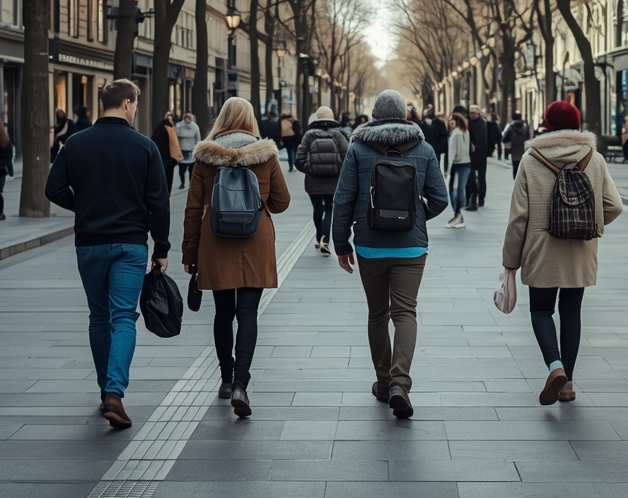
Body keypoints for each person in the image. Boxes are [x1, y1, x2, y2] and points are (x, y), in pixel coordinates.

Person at [45, 79, 170, 430]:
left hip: (89, 242)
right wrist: (161, 247)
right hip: (130, 243)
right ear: (129, 104)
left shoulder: (76, 143)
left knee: (99, 317)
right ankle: (115, 393)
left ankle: (105, 392)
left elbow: (53, 188)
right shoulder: (144, 146)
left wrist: (83, 206)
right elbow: (158, 202)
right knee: (123, 317)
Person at [331, 90, 449, 419]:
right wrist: (415, 215)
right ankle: (401, 383)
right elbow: (440, 198)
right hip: (411, 245)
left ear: (374, 114)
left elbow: (343, 200)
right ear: (404, 114)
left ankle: (383, 383)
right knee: (405, 313)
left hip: (370, 243)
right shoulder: (423, 149)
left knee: (377, 314)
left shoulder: (357, 149)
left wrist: (341, 244)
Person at [502, 100, 622, 406]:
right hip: (580, 250)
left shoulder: (531, 159)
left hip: (542, 249)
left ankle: (554, 366)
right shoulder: (593, 157)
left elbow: (518, 217)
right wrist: (588, 226)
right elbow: (614, 206)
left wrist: (510, 263)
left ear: (547, 124)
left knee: (541, 310)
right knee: (571, 312)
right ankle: (567, 383)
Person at [183, 97, 290, 417]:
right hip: (255, 240)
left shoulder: (205, 156)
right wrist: (260, 203)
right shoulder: (265, 154)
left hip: (215, 240)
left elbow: (192, 208)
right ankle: (242, 384)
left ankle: (226, 379)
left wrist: (190, 252)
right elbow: (282, 201)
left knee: (222, 312)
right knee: (247, 313)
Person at [296, 105, 350, 256]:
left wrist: (311, 169)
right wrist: (337, 170)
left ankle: (319, 236)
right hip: (333, 182)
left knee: (317, 209)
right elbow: (347, 159)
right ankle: (325, 239)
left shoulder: (309, 135)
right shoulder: (338, 135)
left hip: (313, 182)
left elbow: (299, 160)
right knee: (329, 208)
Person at [446, 111, 471, 228]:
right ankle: (459, 215)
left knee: (453, 190)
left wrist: (448, 170)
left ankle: (458, 215)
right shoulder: (466, 132)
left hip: (457, 165)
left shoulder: (455, 134)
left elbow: (452, 153)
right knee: (460, 189)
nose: (450, 123)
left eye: (451, 121)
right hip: (466, 164)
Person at [467, 105, 490, 211]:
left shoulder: (484, 124)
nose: (472, 115)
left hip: (481, 155)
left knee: (481, 177)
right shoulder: (468, 124)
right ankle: (472, 197)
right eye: (470, 113)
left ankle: (481, 198)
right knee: (471, 177)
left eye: (474, 113)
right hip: (471, 154)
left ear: (478, 113)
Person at [154, 111, 183, 192]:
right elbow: (175, 145)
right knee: (168, 182)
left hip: (160, 159)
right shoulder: (169, 129)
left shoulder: (159, 127)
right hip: (169, 160)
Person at [502, 111, 532, 179]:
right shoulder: (525, 126)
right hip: (523, 149)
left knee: (515, 167)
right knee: (523, 167)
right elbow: (528, 137)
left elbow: (505, 138)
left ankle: (516, 181)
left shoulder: (510, 126)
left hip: (514, 150)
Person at [175, 113, 201, 189]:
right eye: (185, 118)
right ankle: (182, 182)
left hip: (191, 150)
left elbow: (198, 138)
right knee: (181, 169)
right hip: (182, 150)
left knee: (191, 169)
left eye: (188, 118)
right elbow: (176, 135)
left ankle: (191, 183)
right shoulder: (179, 125)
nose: (187, 120)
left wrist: (197, 148)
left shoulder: (195, 126)